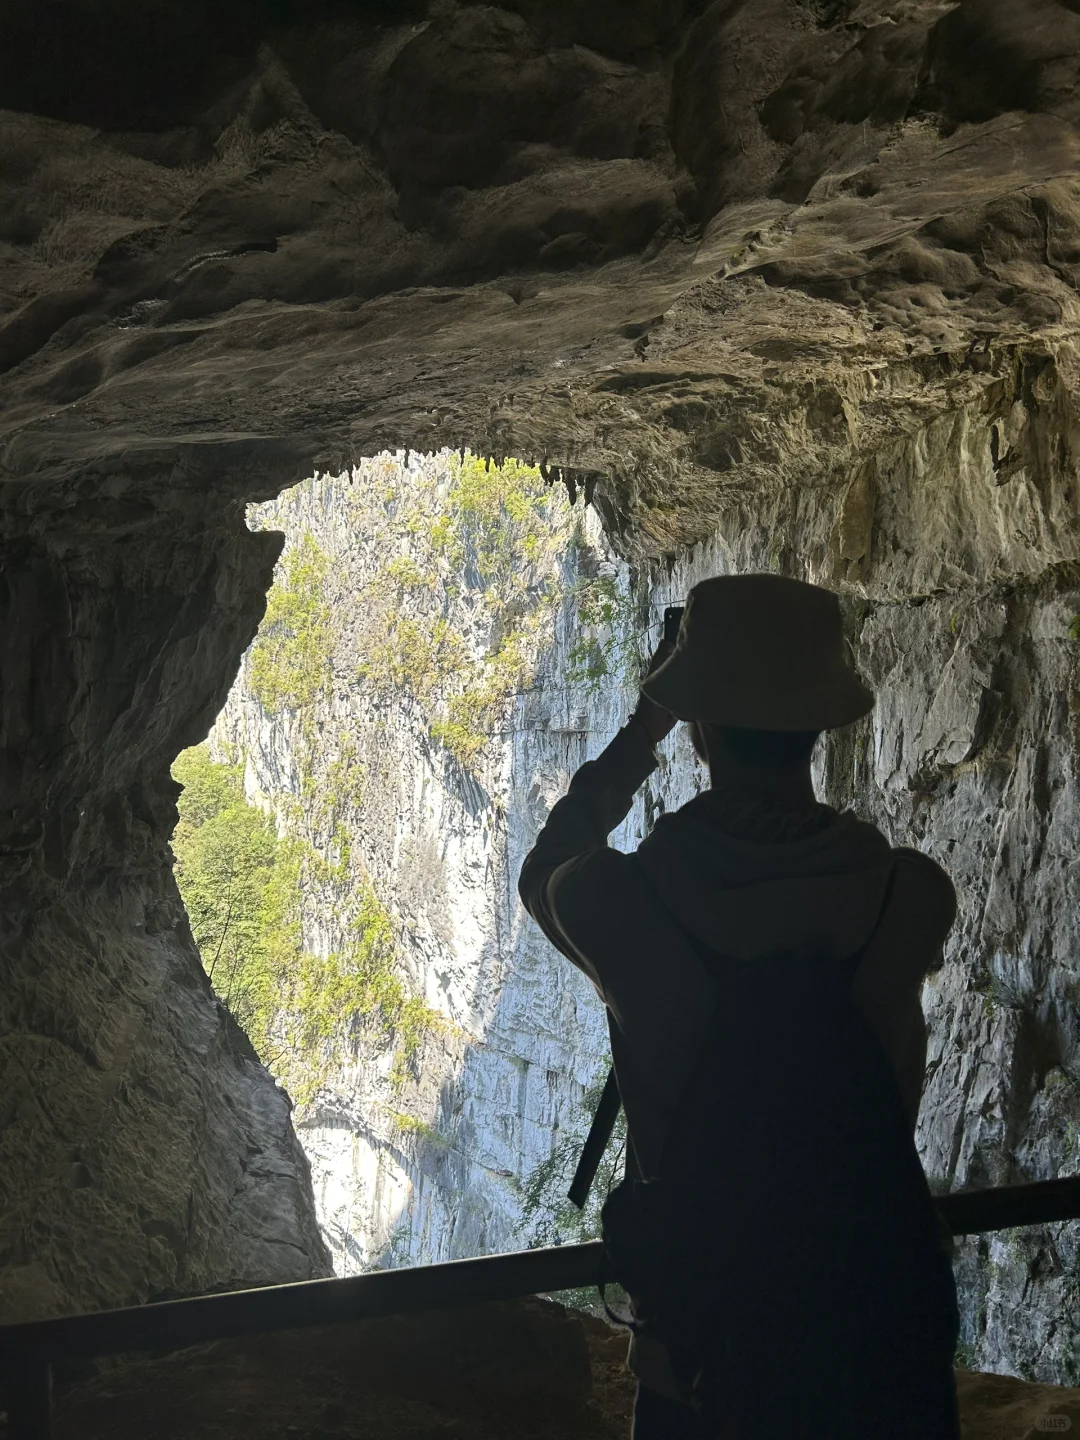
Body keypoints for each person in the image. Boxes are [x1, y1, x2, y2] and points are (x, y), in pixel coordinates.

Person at [518, 574, 961, 1439]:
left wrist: (644, 728)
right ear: (817, 727)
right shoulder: (908, 898)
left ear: (700, 730)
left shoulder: (623, 903)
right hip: (879, 1339)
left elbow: (548, 867)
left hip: (708, 1357)